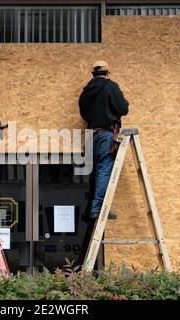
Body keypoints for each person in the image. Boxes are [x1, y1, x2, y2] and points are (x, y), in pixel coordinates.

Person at [78, 60, 129, 220]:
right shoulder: (110, 86)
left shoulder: (86, 92)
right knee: (104, 171)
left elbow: (84, 114)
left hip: (92, 136)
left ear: (94, 74)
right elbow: (123, 108)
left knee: (95, 173)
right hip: (106, 135)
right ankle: (97, 209)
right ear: (107, 73)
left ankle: (92, 208)